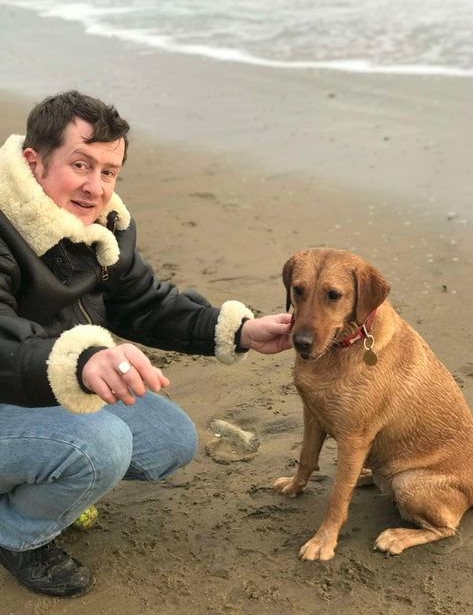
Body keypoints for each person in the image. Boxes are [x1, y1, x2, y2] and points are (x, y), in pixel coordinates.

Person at [0, 90, 292, 598]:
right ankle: (16, 534)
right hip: (14, 378)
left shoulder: (100, 226)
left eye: (109, 172)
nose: (96, 187)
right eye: (80, 164)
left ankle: (33, 479)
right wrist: (86, 359)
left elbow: (144, 303)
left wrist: (239, 330)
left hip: (45, 380)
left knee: (168, 441)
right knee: (101, 448)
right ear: (34, 161)